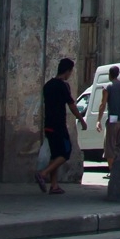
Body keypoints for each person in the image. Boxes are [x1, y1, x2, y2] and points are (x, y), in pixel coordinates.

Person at [36, 57, 85, 194]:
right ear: (68, 71)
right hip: (58, 125)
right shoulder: (62, 86)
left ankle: (54, 185)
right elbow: (72, 106)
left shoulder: (48, 85)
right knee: (65, 152)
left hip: (48, 124)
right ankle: (43, 173)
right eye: (71, 71)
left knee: (55, 154)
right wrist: (81, 119)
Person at [93, 65, 120, 167]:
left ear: (110, 74)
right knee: (119, 147)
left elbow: (103, 104)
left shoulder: (108, 87)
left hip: (113, 120)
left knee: (110, 147)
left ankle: (112, 172)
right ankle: (119, 171)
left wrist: (98, 120)